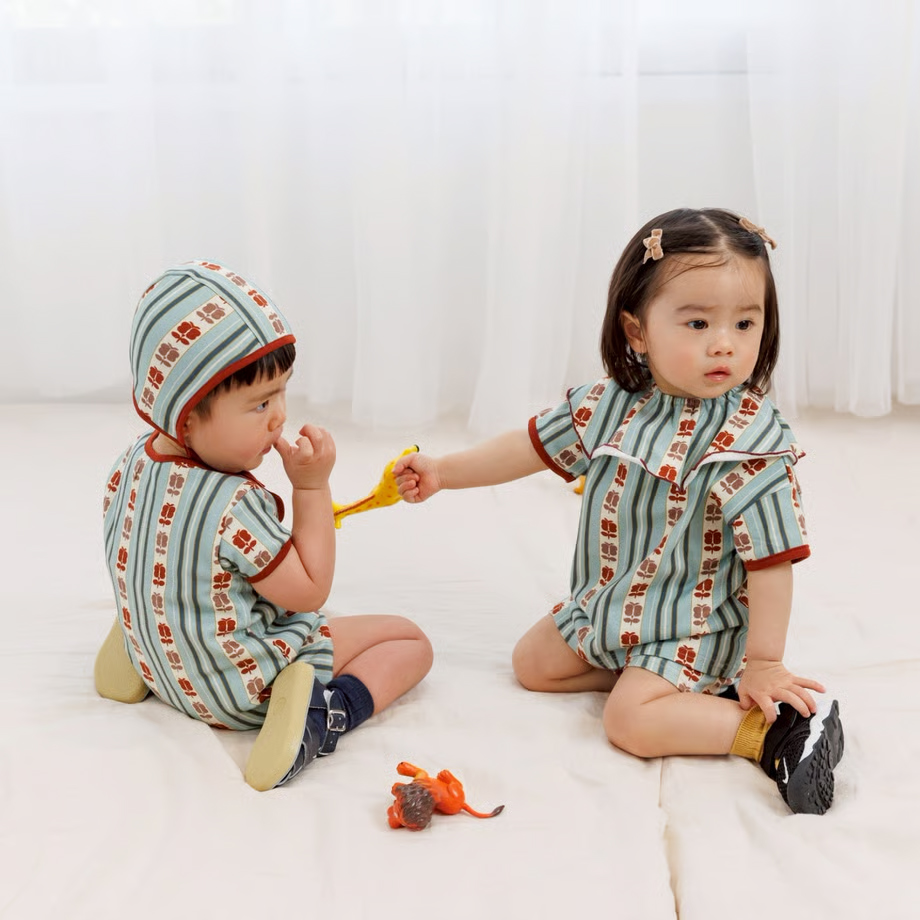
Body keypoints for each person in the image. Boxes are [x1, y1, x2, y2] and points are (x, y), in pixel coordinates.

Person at [394, 208, 844, 815]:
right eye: (697, 322)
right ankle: (680, 691)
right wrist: (445, 472)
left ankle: (774, 735)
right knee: (533, 665)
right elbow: (527, 447)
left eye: (745, 322)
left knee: (628, 721)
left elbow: (772, 562)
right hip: (614, 605)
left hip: (693, 623)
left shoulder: (750, 443)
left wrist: (764, 662)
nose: (725, 343)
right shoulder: (611, 405)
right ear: (637, 331)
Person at [97, 260, 433, 791]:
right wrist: (311, 488)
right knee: (409, 641)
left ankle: (144, 641)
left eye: (281, 393)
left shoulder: (130, 463)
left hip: (165, 665)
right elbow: (310, 591)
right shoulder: (234, 504)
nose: (280, 417)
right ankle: (322, 717)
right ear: (186, 415)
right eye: (259, 404)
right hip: (238, 690)